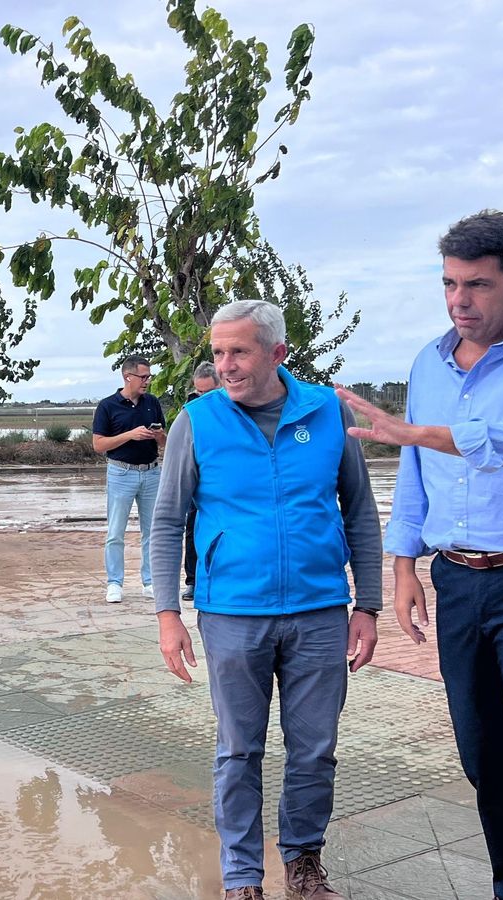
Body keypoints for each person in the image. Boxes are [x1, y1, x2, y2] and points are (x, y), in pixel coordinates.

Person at [337, 210, 503, 900]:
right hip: (460, 579)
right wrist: (403, 568)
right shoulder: (429, 361)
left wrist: (423, 431)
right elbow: (419, 474)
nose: (460, 301)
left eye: (479, 286)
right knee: (484, 755)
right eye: (451, 284)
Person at [152, 299, 381, 900]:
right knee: (238, 750)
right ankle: (242, 877)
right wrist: (167, 614)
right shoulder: (196, 422)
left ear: (277, 353)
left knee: (315, 749)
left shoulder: (328, 412)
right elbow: (168, 520)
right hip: (230, 613)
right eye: (218, 352)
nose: (225, 365)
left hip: (319, 611)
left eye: (239, 351)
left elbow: (358, 511)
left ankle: (303, 864)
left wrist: (369, 604)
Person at [92, 354, 167, 603]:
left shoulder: (152, 403)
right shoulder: (107, 406)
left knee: (152, 532)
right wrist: (130, 435)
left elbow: (165, 441)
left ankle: (150, 581)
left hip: (151, 472)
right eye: (143, 376)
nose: (147, 381)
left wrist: (158, 437)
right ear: (128, 376)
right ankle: (115, 582)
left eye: (149, 377)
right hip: (120, 472)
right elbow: (99, 444)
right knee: (115, 532)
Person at [180, 362, 220, 603]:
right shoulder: (192, 412)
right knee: (191, 527)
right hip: (198, 479)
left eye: (208, 393)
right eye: (198, 392)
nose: (202, 398)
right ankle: (193, 581)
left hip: (223, 481)